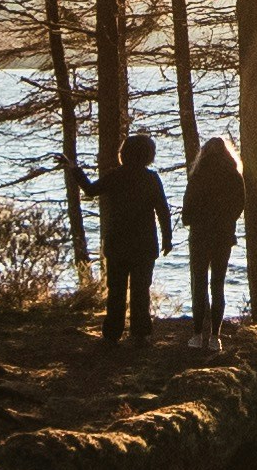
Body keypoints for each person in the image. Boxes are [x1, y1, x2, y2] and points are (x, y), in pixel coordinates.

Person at [67, 134, 174, 348]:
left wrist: (74, 169)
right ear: (148, 155)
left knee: (116, 290)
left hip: (117, 243)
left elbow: (90, 189)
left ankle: (112, 334)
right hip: (144, 244)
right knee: (141, 290)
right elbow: (163, 210)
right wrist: (167, 238)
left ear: (124, 153)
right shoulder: (151, 178)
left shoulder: (115, 175)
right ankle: (140, 334)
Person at [180, 136, 247, 354]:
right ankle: (215, 337)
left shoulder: (198, 176)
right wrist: (227, 222)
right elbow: (240, 205)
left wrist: (191, 220)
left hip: (200, 235)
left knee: (199, 284)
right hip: (223, 235)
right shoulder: (234, 176)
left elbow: (188, 208)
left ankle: (198, 334)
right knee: (218, 284)